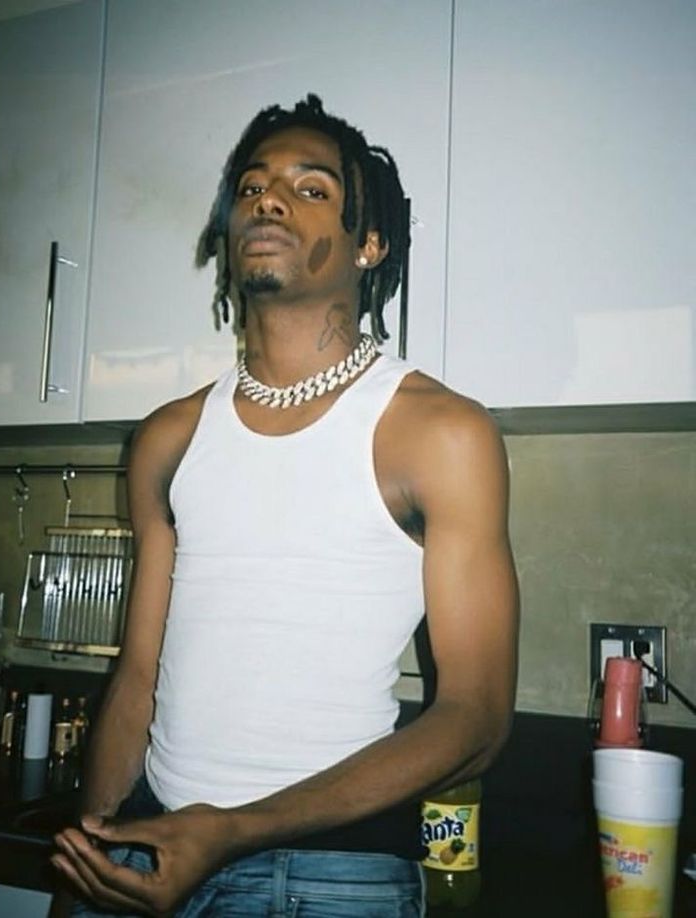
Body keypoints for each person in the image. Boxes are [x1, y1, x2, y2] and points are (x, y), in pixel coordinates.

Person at [51, 94, 519, 917]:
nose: (267, 200)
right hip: (143, 841)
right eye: (251, 187)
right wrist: (88, 859)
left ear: (369, 244)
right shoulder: (166, 439)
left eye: (310, 189)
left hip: (332, 872)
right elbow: (137, 677)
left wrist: (232, 830)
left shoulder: (439, 434)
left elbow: (476, 720)